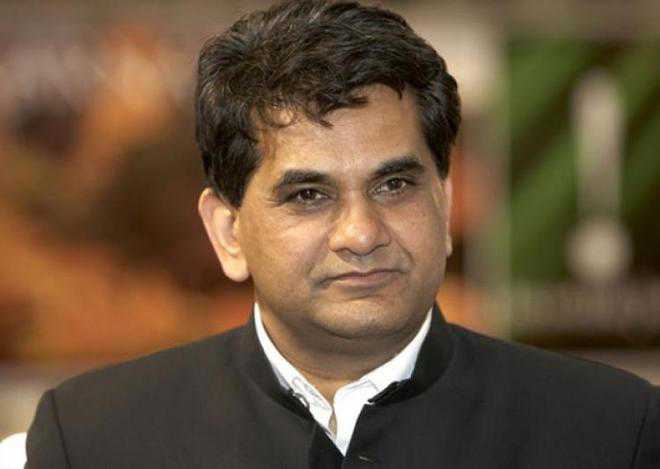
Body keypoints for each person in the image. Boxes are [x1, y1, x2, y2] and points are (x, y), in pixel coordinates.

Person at [25, 1, 659, 467]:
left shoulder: (612, 431)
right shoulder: (93, 438)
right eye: (308, 195)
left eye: (394, 185)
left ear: (444, 205)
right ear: (228, 233)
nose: (360, 233)